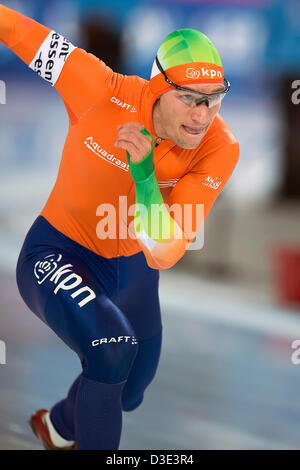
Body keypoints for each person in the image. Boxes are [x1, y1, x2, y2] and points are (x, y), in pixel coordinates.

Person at [0, 4, 239, 450]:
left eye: (213, 98)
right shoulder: (96, 86)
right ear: (157, 88)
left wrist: (145, 175)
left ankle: (60, 427)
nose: (202, 116)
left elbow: (165, 251)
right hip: (57, 253)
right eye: (189, 97)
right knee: (112, 351)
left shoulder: (219, 147)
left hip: (135, 269)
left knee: (129, 391)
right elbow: (14, 27)